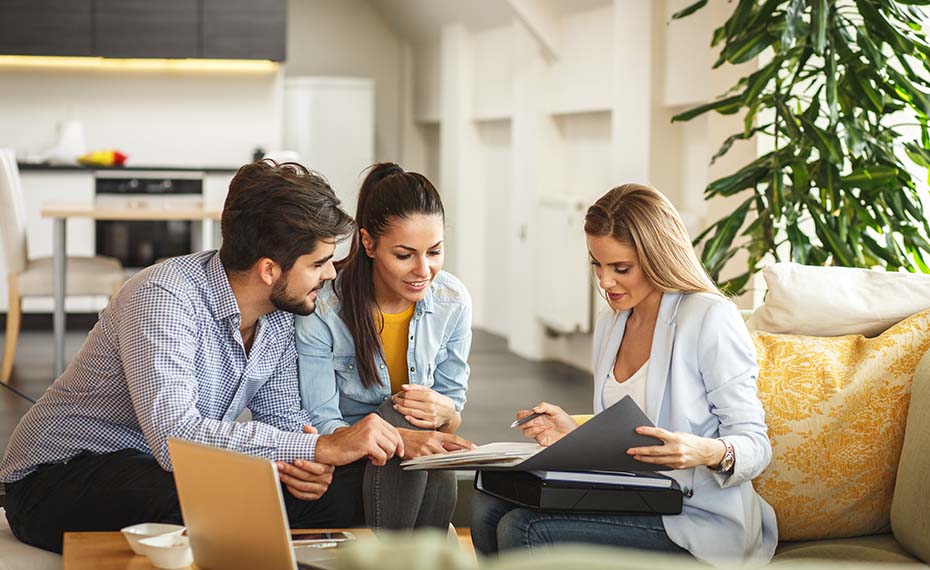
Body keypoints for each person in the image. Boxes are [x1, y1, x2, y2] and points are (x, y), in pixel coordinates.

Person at [0, 160, 405, 553]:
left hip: (163, 469)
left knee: (350, 493)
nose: (331, 274)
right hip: (56, 477)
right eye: (318, 263)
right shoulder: (163, 296)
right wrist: (320, 450)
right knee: (214, 499)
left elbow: (284, 422)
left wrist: (306, 466)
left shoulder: (282, 314)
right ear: (268, 270)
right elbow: (174, 438)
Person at [471, 184, 777, 565]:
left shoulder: (709, 318)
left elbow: (756, 446)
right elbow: (630, 434)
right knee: (487, 506)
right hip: (634, 499)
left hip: (696, 518)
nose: (604, 282)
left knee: (524, 528)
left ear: (658, 257)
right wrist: (574, 433)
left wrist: (704, 451)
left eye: (621, 268)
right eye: (597, 264)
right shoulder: (612, 323)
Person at [296, 162, 474, 531]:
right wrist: (400, 437)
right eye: (405, 255)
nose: (423, 270)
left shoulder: (453, 301)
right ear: (368, 243)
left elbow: (452, 415)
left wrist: (444, 413)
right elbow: (321, 421)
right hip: (350, 457)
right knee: (397, 414)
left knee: (426, 437)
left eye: (435, 252)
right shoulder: (325, 309)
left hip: (415, 461)